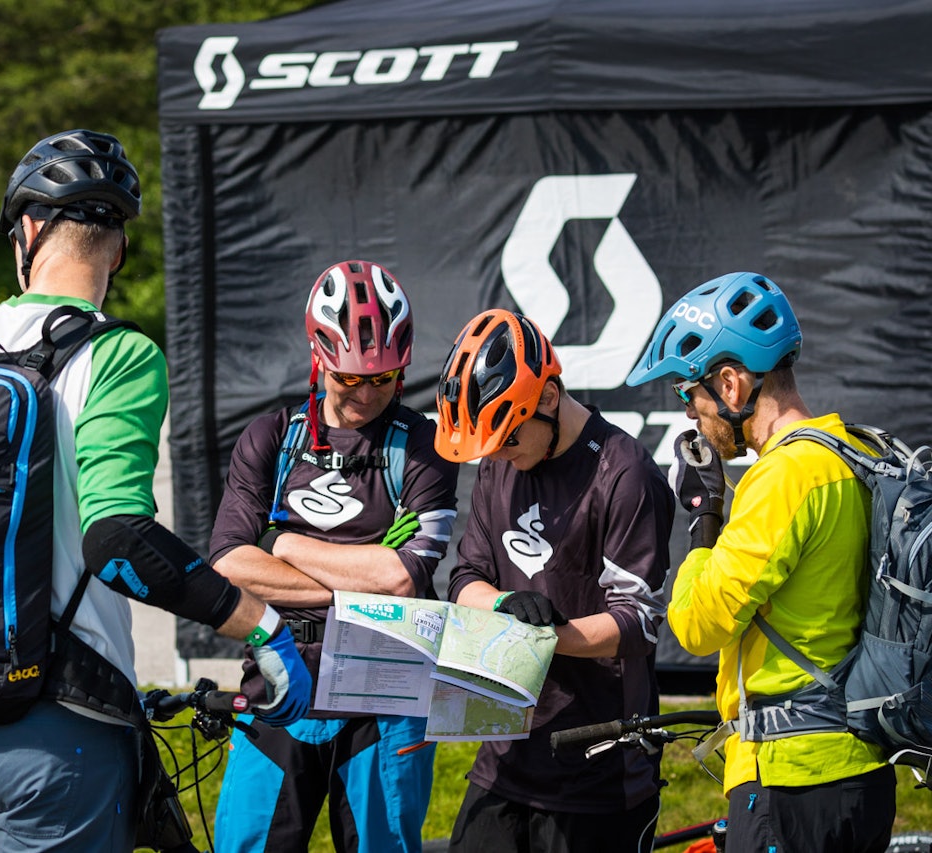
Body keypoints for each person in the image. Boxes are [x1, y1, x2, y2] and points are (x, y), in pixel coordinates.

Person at [0, 129, 313, 852]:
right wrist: (262, 626)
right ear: (119, 250)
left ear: (26, 232)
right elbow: (117, 539)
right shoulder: (119, 355)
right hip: (62, 723)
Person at [625, 271, 896, 852]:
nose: (690, 414)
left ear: (730, 383)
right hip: (861, 769)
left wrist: (704, 519)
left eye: (688, 394)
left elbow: (698, 626)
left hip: (790, 780)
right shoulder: (852, 452)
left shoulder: (782, 477)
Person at [208, 260, 460, 853]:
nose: (367, 395)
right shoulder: (270, 438)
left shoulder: (425, 447)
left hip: (389, 692)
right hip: (281, 678)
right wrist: (355, 578)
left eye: (385, 379)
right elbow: (228, 565)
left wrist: (284, 545)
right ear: (319, 358)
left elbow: (400, 579)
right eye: (350, 379)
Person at [435, 309, 674, 853]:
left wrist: (547, 636)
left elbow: (639, 621)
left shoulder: (626, 472)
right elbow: (466, 576)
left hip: (599, 763)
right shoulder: (503, 459)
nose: (497, 455)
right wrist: (504, 605)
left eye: (506, 438)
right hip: (503, 751)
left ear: (545, 398)